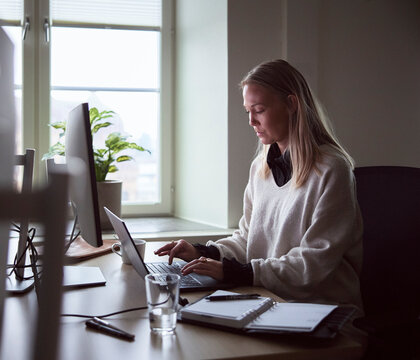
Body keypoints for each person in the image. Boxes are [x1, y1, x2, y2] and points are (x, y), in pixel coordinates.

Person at [155, 59, 363, 311]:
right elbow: (248, 240)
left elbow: (313, 264)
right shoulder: (261, 166)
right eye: (248, 111)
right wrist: (204, 252)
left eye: (259, 109)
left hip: (320, 309)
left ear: (291, 104)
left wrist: (238, 272)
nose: (251, 121)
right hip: (270, 299)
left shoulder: (331, 169)